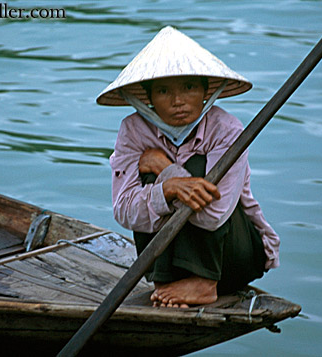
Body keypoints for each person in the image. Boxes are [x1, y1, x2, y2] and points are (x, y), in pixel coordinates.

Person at [97, 26, 280, 308]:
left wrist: (167, 169)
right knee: (149, 174)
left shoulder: (226, 129)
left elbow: (214, 216)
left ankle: (204, 284)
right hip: (165, 263)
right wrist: (166, 189)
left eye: (189, 87)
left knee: (195, 167)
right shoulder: (133, 130)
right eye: (163, 91)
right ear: (148, 97)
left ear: (206, 90)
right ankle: (165, 279)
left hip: (230, 262)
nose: (178, 101)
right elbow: (124, 210)